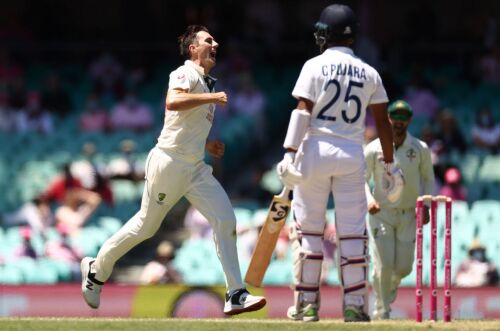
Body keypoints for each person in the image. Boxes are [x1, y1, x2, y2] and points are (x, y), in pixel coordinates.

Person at [80, 25, 266, 316]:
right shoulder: (184, 73)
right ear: (193, 49)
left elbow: (185, 128)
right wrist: (212, 99)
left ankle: (236, 293)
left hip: (195, 168)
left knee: (226, 220)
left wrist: (208, 145)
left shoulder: (206, 83)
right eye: (208, 40)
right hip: (168, 163)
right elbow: (173, 101)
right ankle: (95, 270)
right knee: (147, 226)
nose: (215, 43)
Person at [276, 4, 401, 322]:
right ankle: (356, 306)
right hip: (351, 153)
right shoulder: (369, 71)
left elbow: (303, 109)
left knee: (309, 231)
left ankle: (306, 305)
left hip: (315, 150)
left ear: (326, 34)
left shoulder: (314, 65)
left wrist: (290, 152)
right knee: (352, 234)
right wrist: (389, 164)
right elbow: (383, 122)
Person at [364, 100, 435, 320]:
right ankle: (382, 308)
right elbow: (361, 180)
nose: (399, 122)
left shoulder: (419, 149)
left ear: (409, 121)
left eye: (403, 118)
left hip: (408, 214)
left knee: (403, 268)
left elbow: (428, 179)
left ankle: (391, 284)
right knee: (384, 264)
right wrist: (369, 201)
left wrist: (425, 205)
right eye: (395, 117)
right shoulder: (373, 148)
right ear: (388, 119)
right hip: (381, 213)